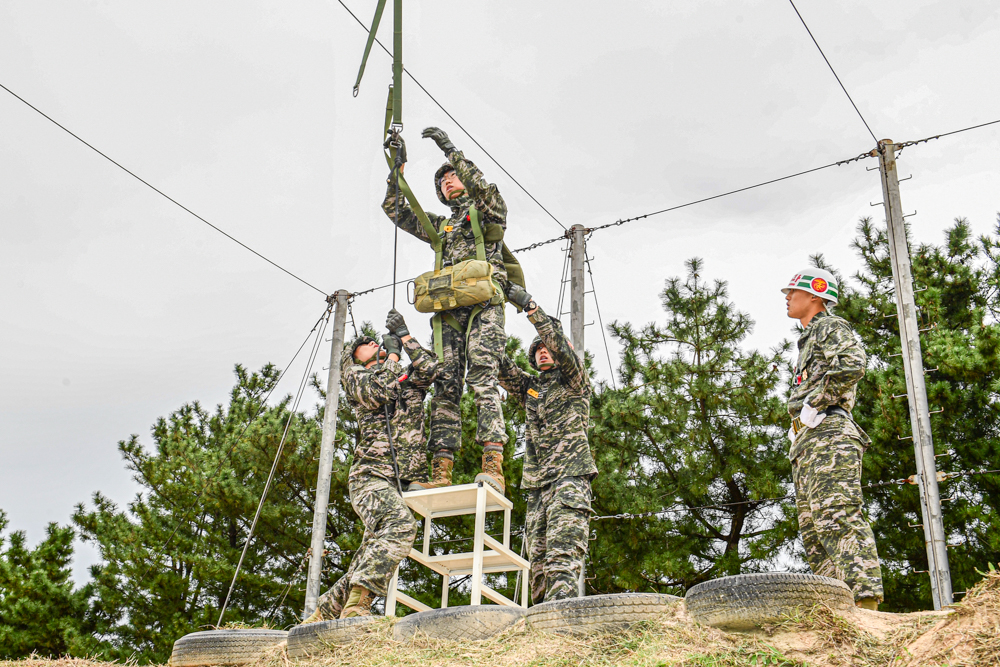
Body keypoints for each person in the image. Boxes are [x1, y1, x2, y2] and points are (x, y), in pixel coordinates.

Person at [382, 126, 510, 494]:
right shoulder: (443, 226)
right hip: (450, 312)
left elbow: (484, 190)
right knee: (445, 385)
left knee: (483, 375)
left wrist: (451, 151)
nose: (449, 182)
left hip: (485, 304)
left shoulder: (487, 214)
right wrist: (398, 168)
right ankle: (440, 470)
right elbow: (396, 210)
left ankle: (493, 463)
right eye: (443, 181)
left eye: (453, 176)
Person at [302, 309, 441, 623]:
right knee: (401, 527)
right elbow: (380, 391)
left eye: (378, 347)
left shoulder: (402, 377)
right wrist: (391, 357)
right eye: (368, 351)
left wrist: (405, 337)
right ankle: (356, 607)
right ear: (356, 361)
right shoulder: (356, 378)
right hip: (371, 476)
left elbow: (433, 370)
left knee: (369, 555)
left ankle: (324, 614)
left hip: (400, 482)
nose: (376, 348)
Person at [783, 268, 883, 611]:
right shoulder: (808, 339)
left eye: (792, 292)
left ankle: (865, 600)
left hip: (828, 432)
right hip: (808, 438)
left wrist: (816, 402)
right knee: (813, 530)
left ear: (814, 295)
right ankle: (837, 606)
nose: (787, 297)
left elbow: (853, 364)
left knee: (837, 514)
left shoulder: (829, 326)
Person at [498, 286, 597, 603]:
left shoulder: (573, 380)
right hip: (539, 486)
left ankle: (561, 624)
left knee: (562, 556)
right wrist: (481, 323)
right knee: (537, 567)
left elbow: (558, 341)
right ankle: (541, 634)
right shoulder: (532, 389)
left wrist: (528, 306)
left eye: (547, 347)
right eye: (537, 349)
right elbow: (501, 368)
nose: (542, 351)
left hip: (570, 478)